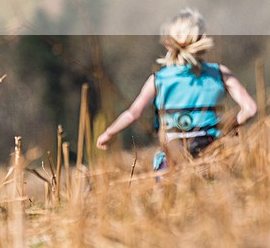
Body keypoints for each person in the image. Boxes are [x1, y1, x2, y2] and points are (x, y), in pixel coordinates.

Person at [96, 9, 257, 169]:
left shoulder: (159, 79)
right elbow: (250, 109)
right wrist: (232, 125)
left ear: (168, 43)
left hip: (171, 159)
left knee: (168, 191)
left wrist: (110, 133)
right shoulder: (220, 73)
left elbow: (133, 114)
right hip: (211, 155)